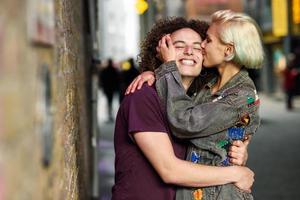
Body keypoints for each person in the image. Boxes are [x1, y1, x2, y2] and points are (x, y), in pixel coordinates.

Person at [127, 10, 264, 199]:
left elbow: (185, 122)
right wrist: (154, 73)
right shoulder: (208, 85)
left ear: (228, 50)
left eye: (207, 40)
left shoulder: (241, 96)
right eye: (179, 46)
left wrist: (167, 69)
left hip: (219, 194)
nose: (201, 46)